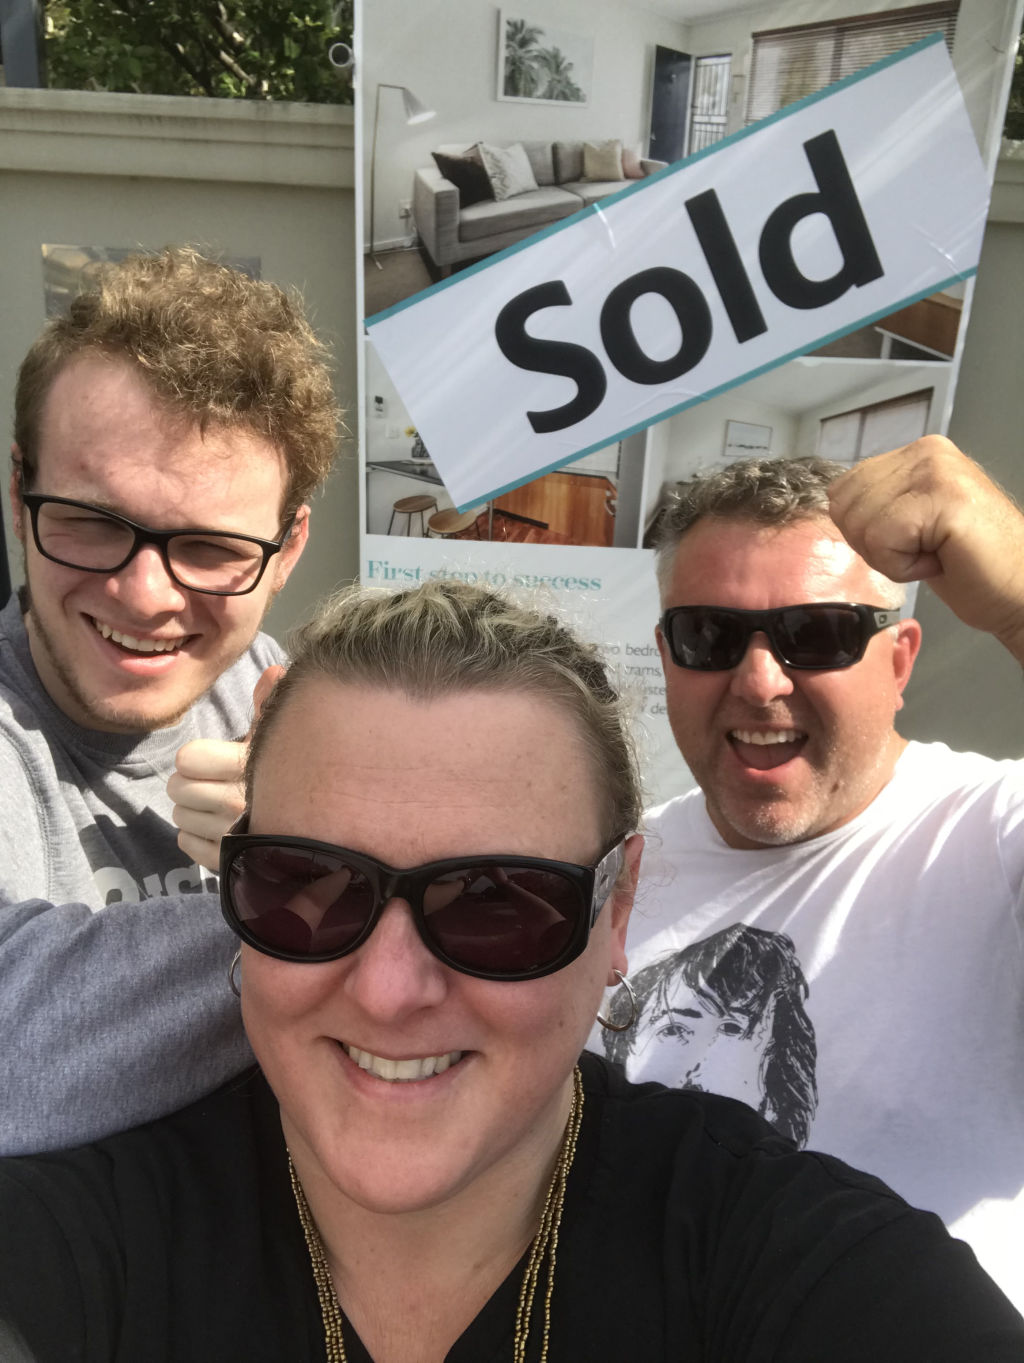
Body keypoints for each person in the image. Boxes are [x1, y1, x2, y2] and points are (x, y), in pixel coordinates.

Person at [0, 578, 1020, 1362]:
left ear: (617, 911)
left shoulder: (772, 1261)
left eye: (494, 902)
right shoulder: (93, 1245)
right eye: (308, 882)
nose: (389, 988)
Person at [602, 436, 1024, 1310]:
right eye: (710, 634)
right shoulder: (613, 864)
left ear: (900, 659)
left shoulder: (994, 836)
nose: (760, 681)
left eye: (819, 636)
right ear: (667, 653)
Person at [0, 246, 340, 1155]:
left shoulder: (266, 693)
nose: (146, 595)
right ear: (17, 487)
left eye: (213, 548)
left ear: (289, 548)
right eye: (90, 520)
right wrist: (314, 894)